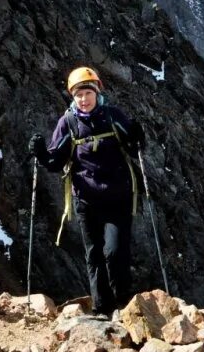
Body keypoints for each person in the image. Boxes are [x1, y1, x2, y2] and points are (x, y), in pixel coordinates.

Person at [30, 67, 146, 316]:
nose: (83, 99)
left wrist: (138, 134)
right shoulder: (69, 123)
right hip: (86, 201)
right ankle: (102, 309)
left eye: (87, 93)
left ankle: (124, 304)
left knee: (114, 253)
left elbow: (134, 145)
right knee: (94, 256)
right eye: (78, 94)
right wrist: (40, 152)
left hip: (118, 198)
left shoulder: (113, 116)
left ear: (97, 91)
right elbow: (55, 162)